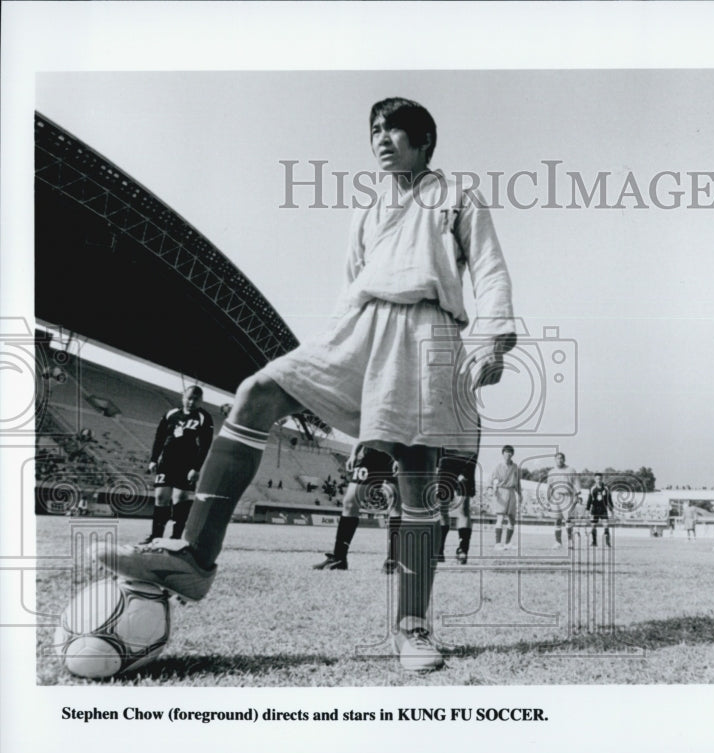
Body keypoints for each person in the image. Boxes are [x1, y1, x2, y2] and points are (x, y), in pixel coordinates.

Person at [94, 97, 517, 671]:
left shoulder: (456, 196)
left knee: (418, 480)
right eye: (375, 130)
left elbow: (489, 268)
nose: (381, 139)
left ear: (423, 143)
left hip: (428, 333)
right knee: (255, 392)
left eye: (394, 131)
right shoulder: (367, 208)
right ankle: (194, 557)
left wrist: (493, 338)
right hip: (359, 326)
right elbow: (351, 280)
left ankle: (413, 626)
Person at [140, 385, 214, 543]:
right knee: (161, 496)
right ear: (183, 397)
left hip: (187, 463)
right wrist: (154, 459)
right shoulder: (170, 414)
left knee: (180, 498)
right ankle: (156, 536)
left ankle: (176, 537)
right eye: (189, 398)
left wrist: (196, 468)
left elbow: (205, 445)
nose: (191, 402)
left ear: (201, 401)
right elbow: (159, 438)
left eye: (195, 399)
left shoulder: (204, 417)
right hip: (167, 461)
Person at [312, 443, 400, 572]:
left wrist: (399, 457)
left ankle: (393, 560)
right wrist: (354, 453)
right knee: (349, 503)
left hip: (397, 451)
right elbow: (363, 431)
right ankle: (339, 558)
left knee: (396, 506)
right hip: (372, 454)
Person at [437, 450, 478, 564]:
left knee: (463, 508)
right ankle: (440, 549)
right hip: (446, 463)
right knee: (442, 507)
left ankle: (462, 549)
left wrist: (465, 470)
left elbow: (474, 446)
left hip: (464, 462)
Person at [545, 452, 581, 548]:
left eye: (561, 458)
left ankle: (570, 541)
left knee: (568, 520)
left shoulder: (571, 470)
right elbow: (549, 487)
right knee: (557, 520)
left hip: (567, 496)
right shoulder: (551, 472)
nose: (559, 460)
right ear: (555, 460)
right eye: (557, 458)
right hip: (556, 497)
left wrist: (576, 496)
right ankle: (558, 542)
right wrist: (548, 500)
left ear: (564, 459)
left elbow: (576, 483)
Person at [490, 445, 521, 550]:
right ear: (503, 454)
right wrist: (494, 487)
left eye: (510, 452)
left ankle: (508, 543)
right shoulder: (498, 466)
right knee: (500, 517)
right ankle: (497, 544)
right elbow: (494, 478)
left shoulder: (515, 467)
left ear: (512, 454)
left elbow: (518, 482)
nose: (508, 454)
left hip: (512, 492)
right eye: (506, 452)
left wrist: (520, 494)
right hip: (501, 491)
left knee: (512, 519)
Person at [586, 473, 614, 547]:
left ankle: (608, 542)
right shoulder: (592, 488)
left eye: (600, 479)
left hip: (603, 509)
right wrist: (587, 509)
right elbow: (589, 500)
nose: (599, 480)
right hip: (594, 509)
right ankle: (594, 542)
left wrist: (612, 509)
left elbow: (609, 499)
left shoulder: (606, 488)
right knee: (593, 526)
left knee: (606, 525)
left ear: (602, 479)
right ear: (595, 479)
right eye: (597, 479)